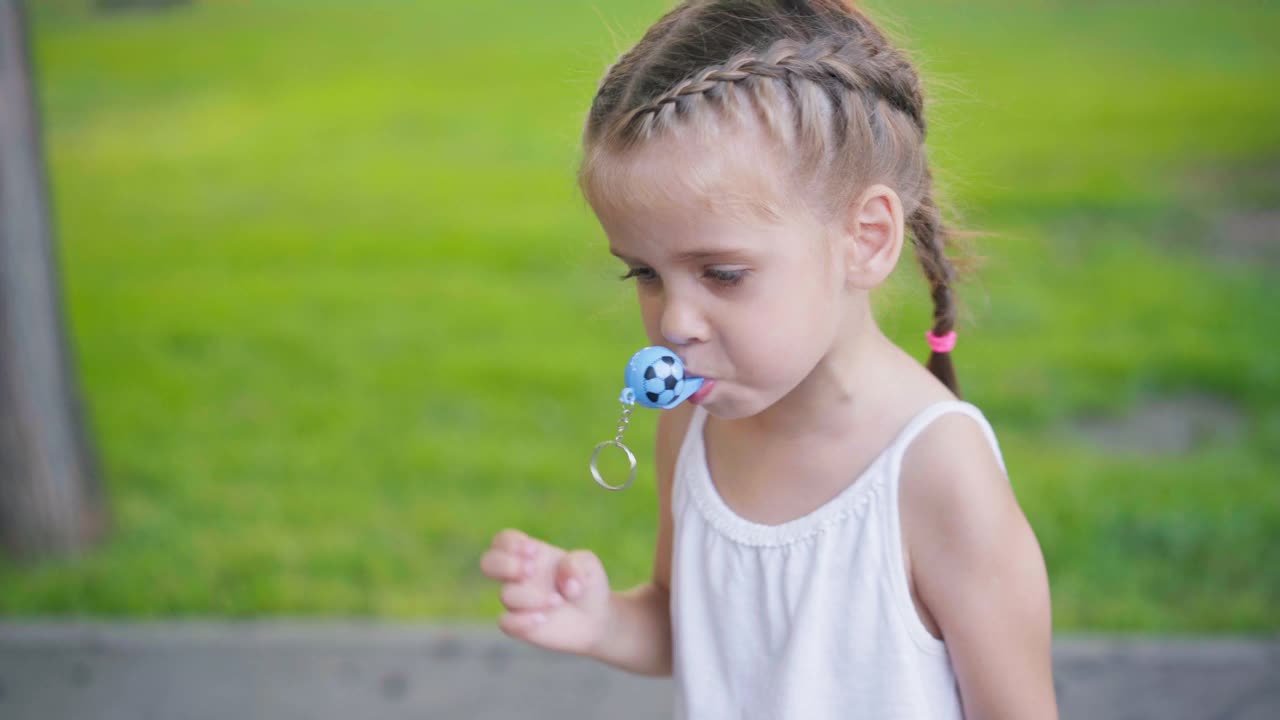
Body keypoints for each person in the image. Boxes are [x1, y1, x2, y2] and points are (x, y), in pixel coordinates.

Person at [479, 1, 1057, 717]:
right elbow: (683, 621)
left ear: (865, 239)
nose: (676, 323)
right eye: (645, 274)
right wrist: (603, 620)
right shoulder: (694, 422)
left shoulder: (938, 474)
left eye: (722, 273)